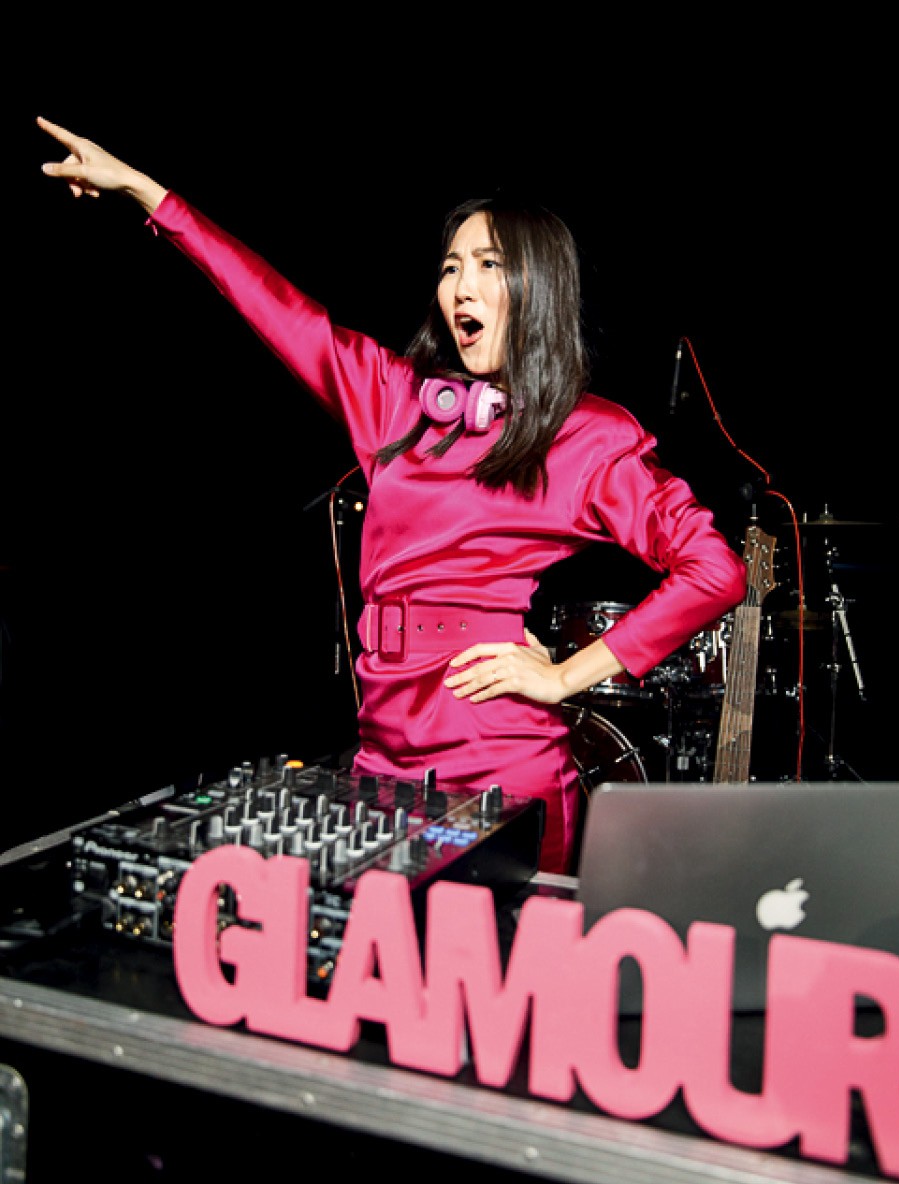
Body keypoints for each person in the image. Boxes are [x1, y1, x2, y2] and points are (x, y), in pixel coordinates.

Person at [37, 115, 747, 875]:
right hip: (383, 753)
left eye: (488, 264)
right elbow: (275, 305)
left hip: (500, 760)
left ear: (538, 286)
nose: (461, 286)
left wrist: (565, 675)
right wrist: (146, 191)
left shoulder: (585, 434)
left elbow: (715, 570)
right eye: (450, 267)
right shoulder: (395, 401)